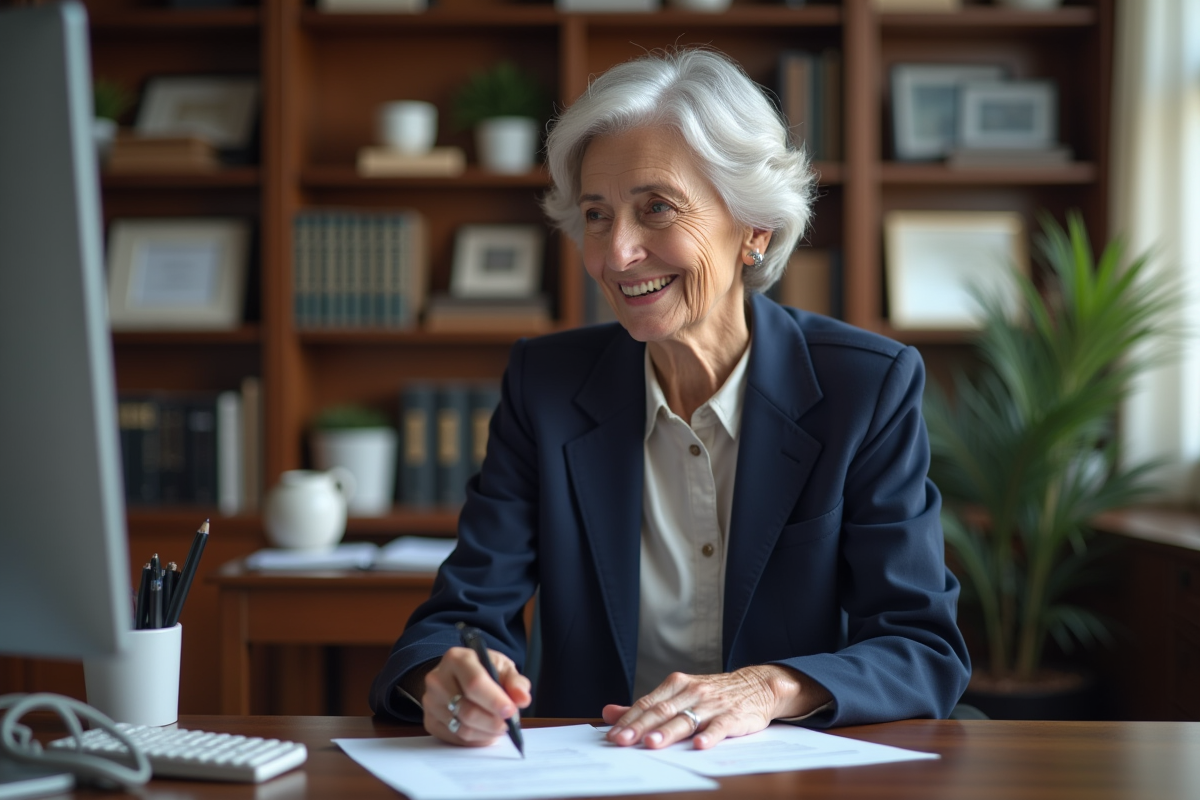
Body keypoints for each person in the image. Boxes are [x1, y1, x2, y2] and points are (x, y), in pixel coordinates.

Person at [369, 48, 970, 751]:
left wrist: (767, 688)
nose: (616, 253)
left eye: (656, 208)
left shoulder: (865, 388)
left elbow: (921, 648)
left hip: (788, 777)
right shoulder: (547, 386)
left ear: (754, 229)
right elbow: (463, 612)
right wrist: (448, 678)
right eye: (597, 215)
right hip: (592, 772)